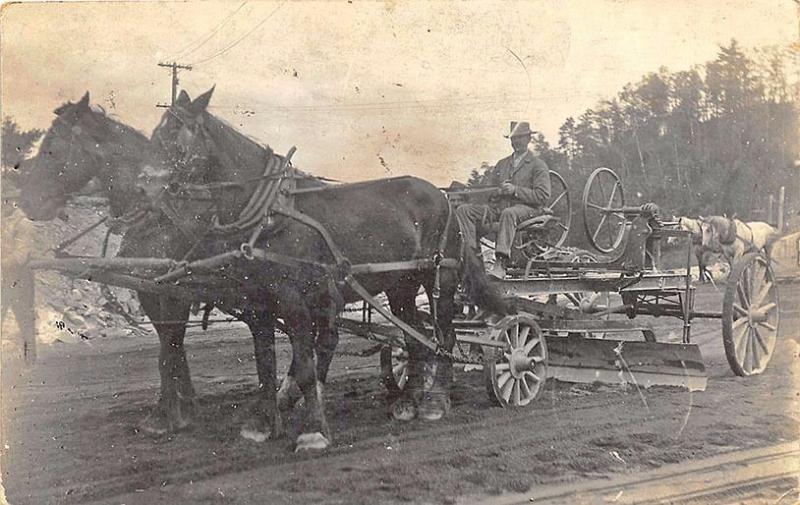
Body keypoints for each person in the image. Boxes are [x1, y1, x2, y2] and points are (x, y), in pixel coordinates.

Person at [455, 121, 551, 278]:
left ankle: (501, 263)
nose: (516, 141)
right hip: (499, 209)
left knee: (509, 213)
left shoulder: (538, 165)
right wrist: (497, 192)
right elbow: (490, 192)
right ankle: (470, 257)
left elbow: (543, 196)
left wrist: (515, 190)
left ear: (528, 139)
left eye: (520, 138)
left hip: (529, 210)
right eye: (513, 138)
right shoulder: (502, 165)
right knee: (464, 210)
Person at [1, 188, 37, 364]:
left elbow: (20, 256)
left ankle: (30, 361)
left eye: (7, 200)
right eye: (2, 200)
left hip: (20, 278)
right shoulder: (2, 220)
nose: (4, 204)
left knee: (24, 319)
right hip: (3, 277)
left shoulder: (24, 223)